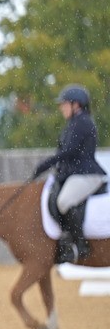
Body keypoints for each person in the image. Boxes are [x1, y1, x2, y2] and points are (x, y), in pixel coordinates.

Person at [33, 84, 107, 263]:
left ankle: (80, 244)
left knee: (64, 201)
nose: (61, 108)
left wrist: (45, 165)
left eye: (64, 104)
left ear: (76, 105)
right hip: (75, 173)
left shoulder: (83, 122)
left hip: (87, 174)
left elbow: (69, 152)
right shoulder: (73, 123)